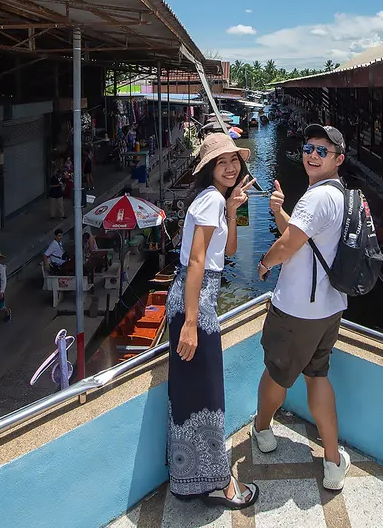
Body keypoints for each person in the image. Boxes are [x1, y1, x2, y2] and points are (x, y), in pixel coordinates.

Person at [253, 124, 352, 491]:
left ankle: (262, 429)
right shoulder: (340, 195)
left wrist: (264, 263)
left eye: (322, 151)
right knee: (318, 375)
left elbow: (287, 246)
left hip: (297, 309)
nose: (312, 154)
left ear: (338, 159)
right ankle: (331, 460)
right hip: (329, 309)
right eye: (309, 148)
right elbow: (305, 242)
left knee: (278, 373)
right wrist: (281, 212)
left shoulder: (315, 198)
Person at [166, 133, 258, 509]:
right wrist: (191, 322)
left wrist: (235, 209)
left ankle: (192, 479)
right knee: (207, 396)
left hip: (200, 301)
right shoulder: (207, 200)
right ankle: (219, 484)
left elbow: (230, 251)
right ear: (210, 170)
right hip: (196, 303)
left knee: (197, 396)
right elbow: (197, 263)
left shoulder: (220, 202)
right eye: (222, 163)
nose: (231, 167)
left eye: (234, 161)